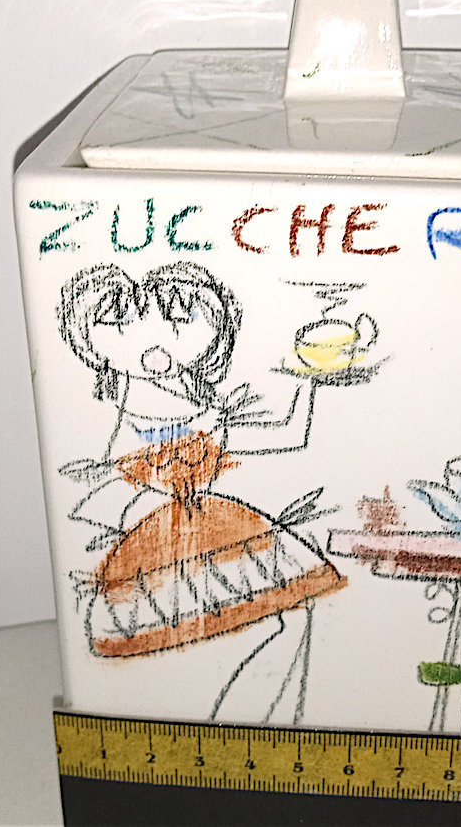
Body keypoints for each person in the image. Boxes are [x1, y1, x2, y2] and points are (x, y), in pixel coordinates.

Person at [59, 261, 346, 723]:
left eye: (179, 324)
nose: (157, 347)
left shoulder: (202, 416)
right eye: (124, 327)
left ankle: (253, 722)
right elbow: (114, 471)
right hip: (163, 545)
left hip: (219, 529)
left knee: (285, 618)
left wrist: (309, 378)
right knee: (220, 638)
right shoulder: (138, 414)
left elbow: (289, 433)